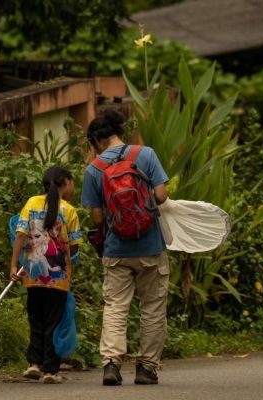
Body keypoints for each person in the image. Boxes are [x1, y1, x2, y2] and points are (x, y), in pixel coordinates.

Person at [82, 110, 170, 386]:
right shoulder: (146, 154)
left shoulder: (93, 169)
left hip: (116, 250)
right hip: (151, 246)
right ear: (119, 132)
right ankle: (147, 368)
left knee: (116, 307)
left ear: (97, 140)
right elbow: (161, 195)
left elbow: (97, 219)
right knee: (152, 308)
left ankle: (111, 364)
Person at [10, 167, 82, 384]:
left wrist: (13, 265)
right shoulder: (69, 210)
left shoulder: (32, 203)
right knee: (54, 321)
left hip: (32, 273)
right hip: (58, 276)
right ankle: (51, 370)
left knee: (36, 318)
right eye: (72, 181)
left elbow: (20, 235)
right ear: (65, 182)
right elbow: (75, 246)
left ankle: (34, 364)